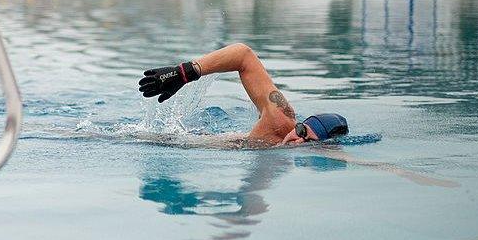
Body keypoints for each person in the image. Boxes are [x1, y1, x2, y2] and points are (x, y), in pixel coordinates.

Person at [138, 43, 349, 146]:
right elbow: (243, 55)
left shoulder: (313, 151)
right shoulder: (281, 116)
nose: (298, 140)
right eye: (301, 131)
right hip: (189, 141)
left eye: (309, 141)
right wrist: (184, 72)